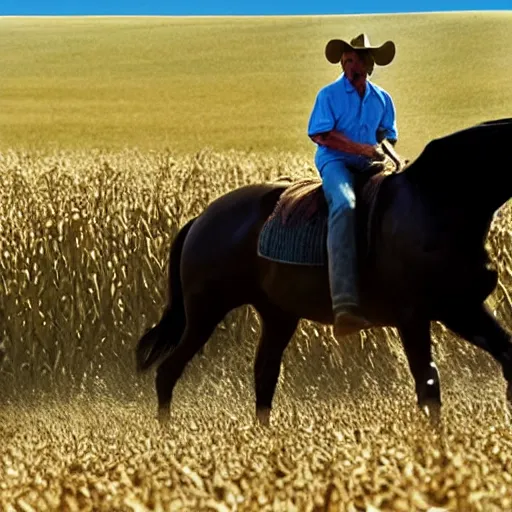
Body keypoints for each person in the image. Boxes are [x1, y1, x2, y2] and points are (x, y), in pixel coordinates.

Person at [307, 33, 398, 338]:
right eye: (346, 59)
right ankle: (344, 303)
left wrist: (387, 151)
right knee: (344, 205)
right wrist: (361, 149)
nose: (349, 63)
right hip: (335, 162)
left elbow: (387, 134)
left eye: (356, 58)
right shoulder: (329, 95)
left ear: (369, 65)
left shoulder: (382, 99)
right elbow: (322, 135)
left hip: (370, 163)